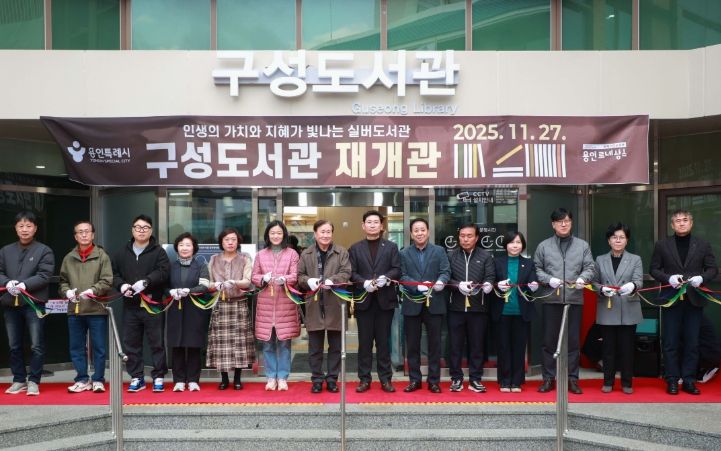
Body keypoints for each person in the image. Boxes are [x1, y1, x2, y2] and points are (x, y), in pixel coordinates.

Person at [650, 209, 717, 395]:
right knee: (670, 341)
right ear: (672, 225)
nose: (681, 223)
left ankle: (689, 380)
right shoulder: (662, 245)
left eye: (685, 220)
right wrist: (668, 278)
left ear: (691, 223)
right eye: (677, 221)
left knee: (692, 341)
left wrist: (702, 278)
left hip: (694, 299)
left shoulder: (702, 245)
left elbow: (712, 269)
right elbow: (654, 269)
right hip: (671, 299)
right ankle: (672, 379)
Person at [533, 208, 595, 394]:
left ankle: (572, 379)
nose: (564, 224)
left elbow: (590, 267)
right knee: (549, 341)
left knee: (573, 342)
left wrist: (583, 278)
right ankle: (548, 378)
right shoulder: (544, 246)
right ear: (553, 224)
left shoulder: (582, 246)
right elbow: (536, 269)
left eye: (567, 221)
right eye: (560, 221)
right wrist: (548, 279)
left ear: (571, 223)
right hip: (551, 299)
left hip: (574, 299)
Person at [112, 214, 170, 393]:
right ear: (132, 230)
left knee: (157, 343)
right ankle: (137, 377)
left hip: (153, 304)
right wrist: (121, 286)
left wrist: (146, 281)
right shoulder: (122, 252)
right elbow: (113, 274)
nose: (141, 231)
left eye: (145, 228)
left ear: (151, 231)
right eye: (138, 227)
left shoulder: (158, 252)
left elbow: (164, 272)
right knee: (131, 343)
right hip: (130, 305)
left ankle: (158, 376)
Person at [0, 212, 54, 396]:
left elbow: (45, 275)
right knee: (14, 345)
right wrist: (7, 282)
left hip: (33, 304)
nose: (25, 229)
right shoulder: (5, 251)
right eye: (21, 226)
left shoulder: (44, 250)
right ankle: (18, 380)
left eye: (28, 226)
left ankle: (34, 381)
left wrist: (24, 285)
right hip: (10, 304)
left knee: (36, 345)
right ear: (15, 228)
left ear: (35, 228)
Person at [349, 210, 401, 394]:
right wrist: (364, 283)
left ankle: (385, 379)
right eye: (369, 222)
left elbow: (397, 269)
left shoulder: (391, 247)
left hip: (385, 301)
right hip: (364, 301)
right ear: (363, 226)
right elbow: (351, 272)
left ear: (382, 226)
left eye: (376, 222)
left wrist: (386, 278)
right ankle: (364, 379)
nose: (372, 225)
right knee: (364, 343)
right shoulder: (355, 248)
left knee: (383, 343)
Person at [58, 220, 113, 394]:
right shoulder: (69, 257)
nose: (83, 234)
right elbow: (62, 282)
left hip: (96, 309)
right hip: (75, 309)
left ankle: (98, 379)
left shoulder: (102, 256)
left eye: (87, 231)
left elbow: (107, 280)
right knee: (76, 347)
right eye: (80, 232)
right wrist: (66, 292)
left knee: (99, 347)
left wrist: (93, 290)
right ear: (75, 236)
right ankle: (82, 379)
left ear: (93, 234)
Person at [297, 220, 352, 393]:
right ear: (315, 234)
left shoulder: (341, 252)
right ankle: (317, 379)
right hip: (314, 304)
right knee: (315, 348)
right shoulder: (306, 254)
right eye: (322, 231)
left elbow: (346, 272)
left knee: (336, 347)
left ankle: (332, 379)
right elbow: (299, 276)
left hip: (335, 303)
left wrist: (332, 281)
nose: (325, 235)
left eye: (328, 232)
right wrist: (308, 281)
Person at [399, 218, 451, 393]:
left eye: (422, 230)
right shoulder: (404, 253)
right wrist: (417, 285)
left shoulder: (439, 251)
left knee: (434, 344)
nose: (419, 233)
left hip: (434, 302)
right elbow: (402, 276)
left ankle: (434, 380)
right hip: (412, 303)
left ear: (428, 232)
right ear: (411, 233)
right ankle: (415, 380)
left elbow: (446, 271)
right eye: (416, 230)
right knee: (412, 345)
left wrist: (441, 281)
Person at [592, 223, 643, 394]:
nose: (618, 240)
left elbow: (639, 280)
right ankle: (608, 381)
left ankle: (627, 383)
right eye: (614, 237)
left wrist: (633, 285)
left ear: (627, 240)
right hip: (608, 308)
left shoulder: (635, 259)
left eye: (622, 237)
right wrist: (601, 289)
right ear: (609, 240)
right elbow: (594, 282)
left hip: (628, 308)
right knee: (608, 349)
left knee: (627, 349)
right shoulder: (600, 259)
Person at [252, 220, 300, 391]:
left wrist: (284, 279)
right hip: (265, 304)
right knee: (267, 343)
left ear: (284, 235)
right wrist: (262, 279)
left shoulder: (292, 254)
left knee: (284, 343)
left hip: (285, 304)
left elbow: (295, 275)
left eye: (279, 233)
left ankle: (283, 377)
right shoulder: (260, 255)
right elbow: (254, 276)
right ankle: (271, 377)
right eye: (272, 233)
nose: (276, 236)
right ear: (267, 235)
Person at [447, 223, 495, 393]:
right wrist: (457, 284)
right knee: (455, 345)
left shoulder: (486, 256)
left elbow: (490, 276)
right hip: (456, 308)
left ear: (476, 238)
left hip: (478, 308)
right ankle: (456, 378)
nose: (465, 239)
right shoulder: (451, 255)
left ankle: (475, 378)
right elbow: (446, 277)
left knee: (477, 345)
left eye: (469, 236)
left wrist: (488, 284)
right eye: (462, 236)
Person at [206, 228, 255, 391]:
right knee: (221, 344)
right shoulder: (213, 259)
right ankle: (224, 379)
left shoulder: (245, 258)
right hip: (220, 305)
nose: (230, 242)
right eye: (227, 239)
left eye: (233, 239)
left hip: (239, 304)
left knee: (239, 343)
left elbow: (247, 281)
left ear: (238, 241)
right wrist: (216, 285)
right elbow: (208, 283)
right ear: (221, 242)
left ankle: (238, 379)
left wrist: (234, 282)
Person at [491, 231, 539, 393]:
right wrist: (497, 285)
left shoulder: (529, 263)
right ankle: (505, 380)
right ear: (506, 245)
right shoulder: (497, 262)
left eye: (518, 242)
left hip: (521, 312)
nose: (515, 245)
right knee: (503, 347)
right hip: (502, 311)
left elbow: (533, 281)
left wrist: (534, 285)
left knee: (519, 348)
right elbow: (490, 281)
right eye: (511, 242)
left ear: (522, 245)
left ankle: (517, 381)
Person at [166, 232, 211, 392]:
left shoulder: (201, 266)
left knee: (194, 345)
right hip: (175, 309)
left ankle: (193, 380)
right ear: (177, 248)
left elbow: (204, 286)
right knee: (177, 344)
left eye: (188, 245)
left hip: (195, 309)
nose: (184, 248)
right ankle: (178, 380)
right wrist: (170, 291)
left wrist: (189, 291)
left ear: (194, 248)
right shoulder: (170, 266)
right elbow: (164, 286)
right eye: (181, 245)